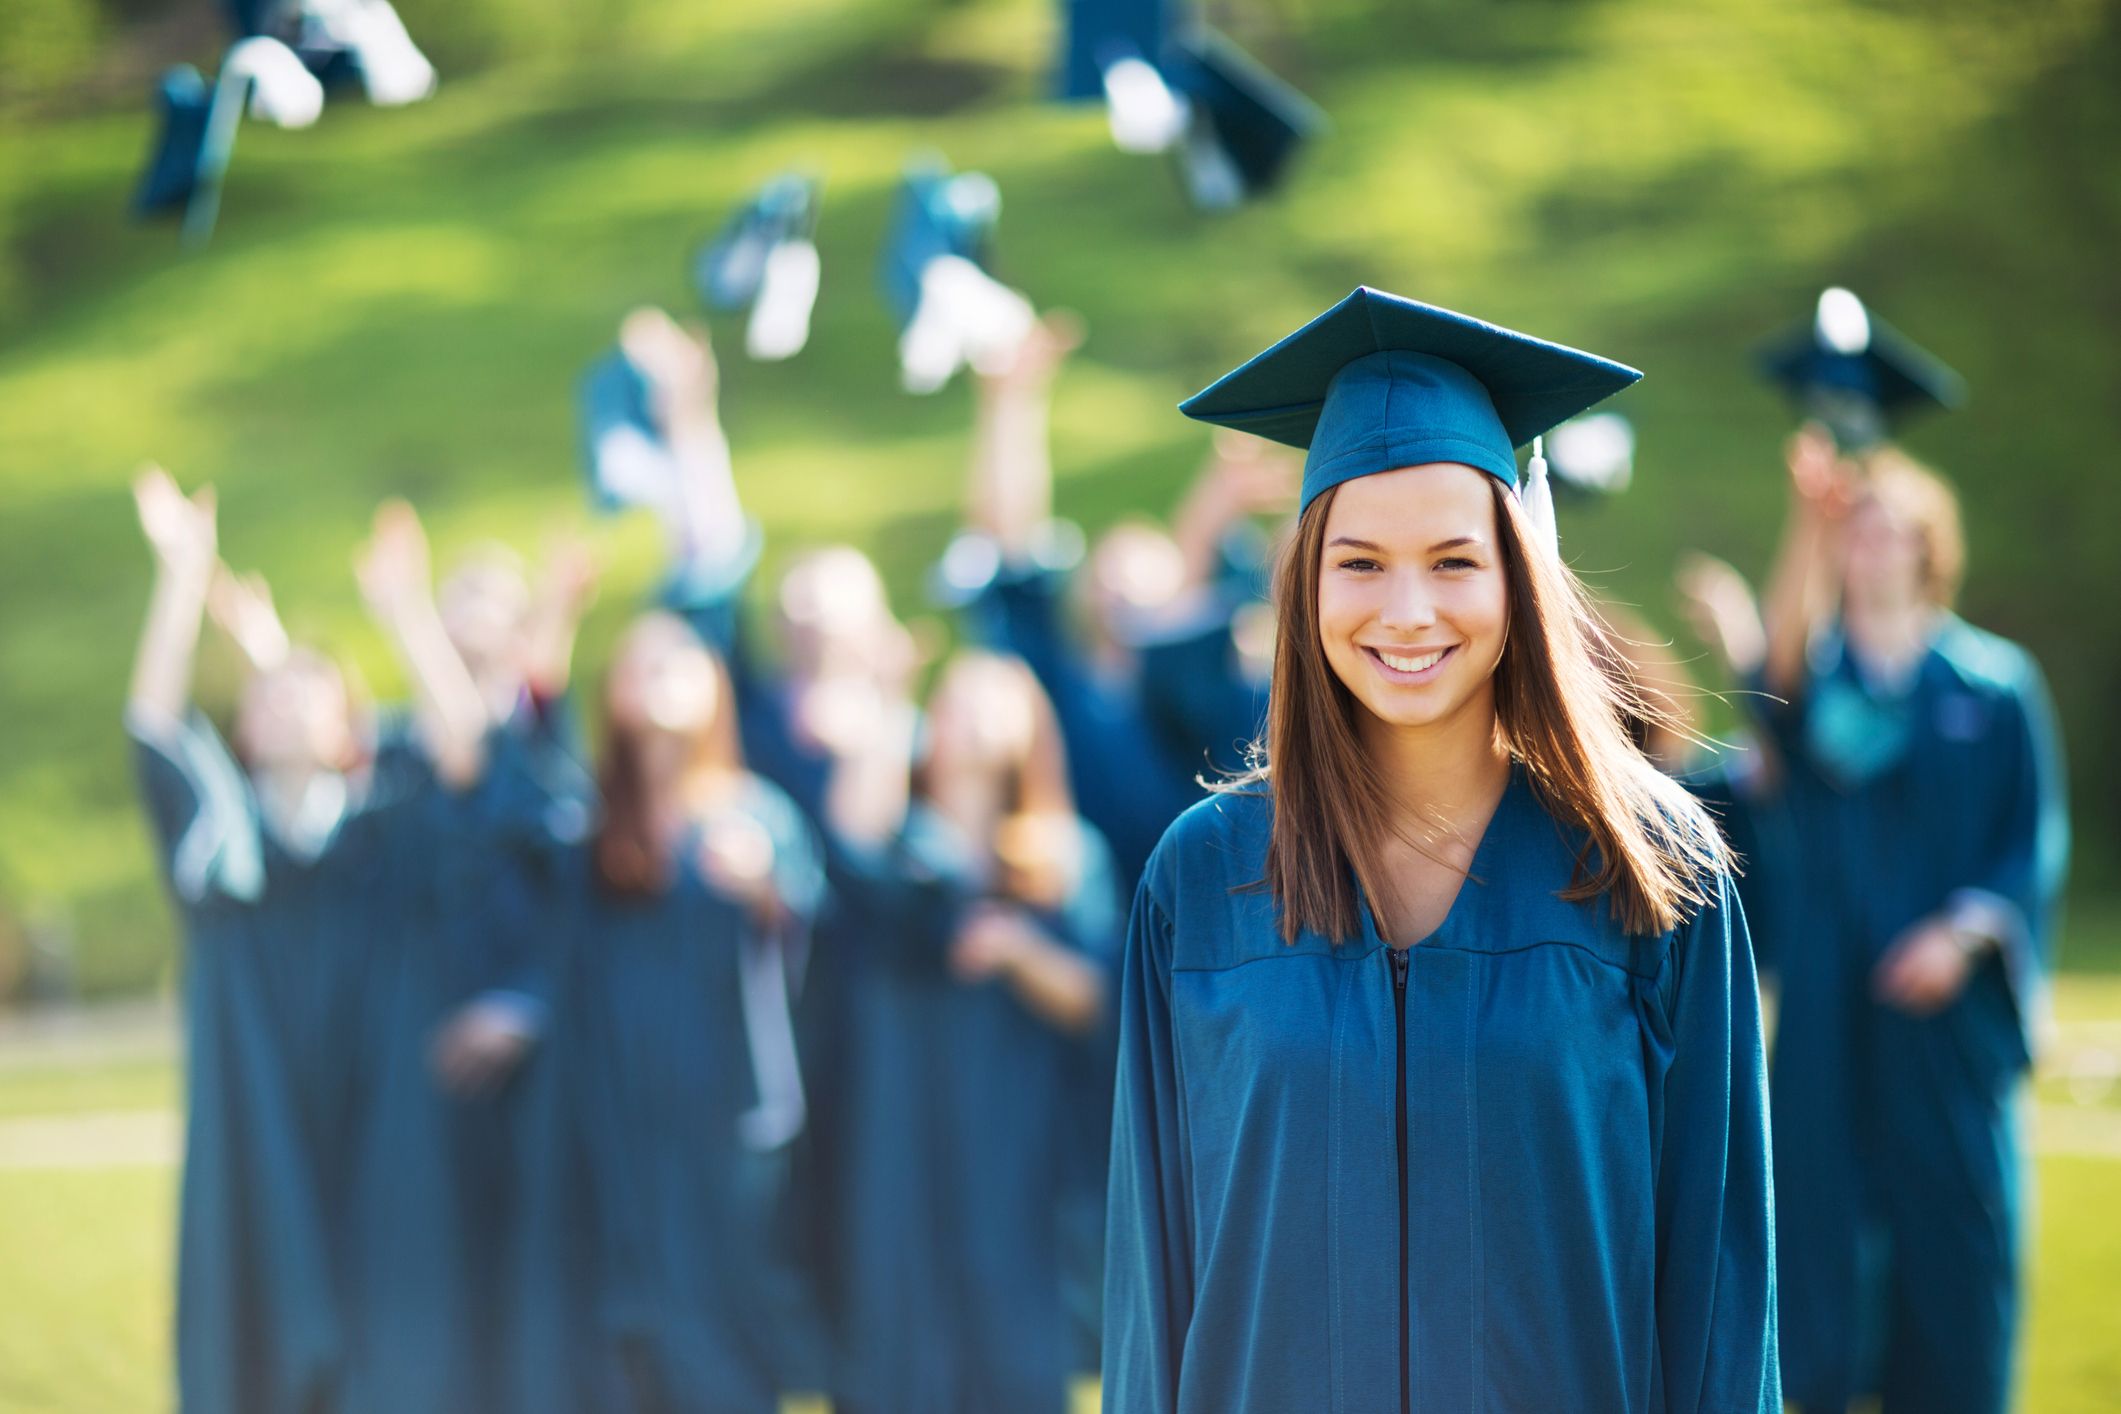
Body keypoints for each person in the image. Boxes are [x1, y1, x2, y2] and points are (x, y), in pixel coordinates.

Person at [1102, 287, 1779, 1414]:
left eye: (1455, 561)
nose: (1408, 610)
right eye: (1359, 563)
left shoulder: (1651, 871)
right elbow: (1150, 1278)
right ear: (1304, 582)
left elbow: (1717, 1286)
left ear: (1519, 574)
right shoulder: (1205, 879)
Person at [127, 469, 485, 1414]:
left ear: (348, 734)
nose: (283, 705)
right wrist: (181, 575)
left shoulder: (385, 835)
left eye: (308, 695)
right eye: (267, 695)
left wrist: (407, 612)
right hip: (259, 1120)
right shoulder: (222, 846)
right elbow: (155, 729)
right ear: (243, 728)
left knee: (395, 1340)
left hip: (382, 1113)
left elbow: (462, 745)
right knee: (259, 1335)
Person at [1747, 428, 2068, 1414]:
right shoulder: (1823, 685)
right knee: (1820, 1235)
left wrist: (1962, 934)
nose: (1872, 546)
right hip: (1831, 1008)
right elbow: (1773, 667)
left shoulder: (1993, 685)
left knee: (1956, 1240)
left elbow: (2030, 842)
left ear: (1932, 546)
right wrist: (1809, 519)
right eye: (1859, 531)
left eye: (1892, 529)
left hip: (1943, 1015)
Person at [509, 612, 825, 1414]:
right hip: (612, 1109)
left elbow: (812, 940)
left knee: (722, 1325)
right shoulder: (590, 823)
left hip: (727, 1114)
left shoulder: (754, 814)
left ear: (715, 689)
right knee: (625, 1324)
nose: (657, 675)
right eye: (637, 662)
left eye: (677, 661)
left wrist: (762, 888)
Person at [822, 650, 1118, 1414]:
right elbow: (847, 840)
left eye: (1001, 698)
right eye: (958, 700)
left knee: (1014, 1330)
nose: (980, 713)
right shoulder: (901, 843)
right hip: (906, 1109)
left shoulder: (1065, 855)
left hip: (1018, 1121)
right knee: (907, 1325)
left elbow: (1097, 998)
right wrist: (888, 711)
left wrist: (1019, 951)